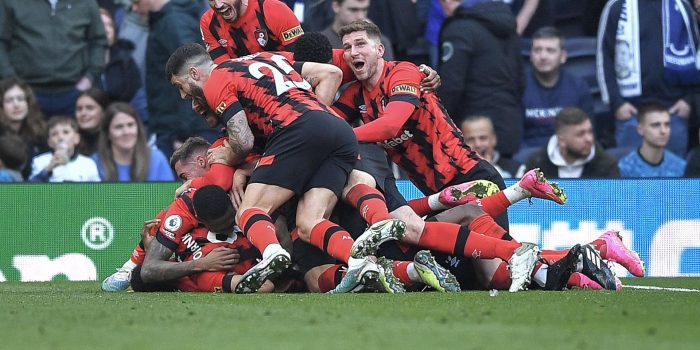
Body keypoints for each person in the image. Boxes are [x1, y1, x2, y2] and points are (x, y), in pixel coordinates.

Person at [166, 43, 407, 293]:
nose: (184, 96)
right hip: (337, 127)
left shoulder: (216, 80)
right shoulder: (265, 58)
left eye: (179, 87)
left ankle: (272, 253)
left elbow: (244, 141)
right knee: (309, 222)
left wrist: (230, 157)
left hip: (297, 130)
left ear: (194, 73)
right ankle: (361, 262)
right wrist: (315, 119)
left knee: (249, 210)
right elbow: (331, 73)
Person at [333, 20, 554, 292]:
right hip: (442, 197)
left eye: (360, 44)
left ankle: (579, 260)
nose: (353, 52)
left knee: (495, 273)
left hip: (472, 179)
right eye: (346, 47)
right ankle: (580, 260)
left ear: (379, 49)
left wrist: (345, 136)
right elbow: (325, 122)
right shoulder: (356, 96)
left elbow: (391, 125)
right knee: (476, 277)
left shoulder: (404, 73)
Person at [597, 0, 699, 157]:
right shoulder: (616, 5)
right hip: (632, 114)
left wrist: (688, 100)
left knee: (675, 178)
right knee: (631, 179)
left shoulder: (681, 6)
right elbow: (604, 57)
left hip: (674, 113)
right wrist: (616, 103)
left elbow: (696, 55)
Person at [437, 0, 524, 156]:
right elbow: (521, 79)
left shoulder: (458, 29)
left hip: (473, 129)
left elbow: (452, 85)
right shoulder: (509, 27)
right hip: (509, 123)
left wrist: (439, 122)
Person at [130, 0, 211, 159]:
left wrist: (185, 134)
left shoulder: (172, 22)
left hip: (182, 129)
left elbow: (193, 74)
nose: (133, 8)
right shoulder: (167, 21)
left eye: (136, 2)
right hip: (176, 124)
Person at [0, 0, 107, 118]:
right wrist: (12, 80)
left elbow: (99, 41)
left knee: (74, 136)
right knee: (29, 136)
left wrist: (90, 77)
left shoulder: (86, 3)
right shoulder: (11, 2)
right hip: (27, 92)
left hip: (74, 92)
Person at [522, 26, 594, 149]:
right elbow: (517, 140)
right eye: (537, 50)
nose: (543, 56)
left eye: (550, 50)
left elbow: (587, 134)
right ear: (531, 56)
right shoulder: (518, 87)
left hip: (569, 153)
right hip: (530, 156)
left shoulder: (579, 87)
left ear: (563, 56)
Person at [526, 107, 620, 178]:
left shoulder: (607, 165)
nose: (589, 139)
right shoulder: (537, 164)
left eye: (590, 131)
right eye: (580, 134)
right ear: (562, 140)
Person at [200, 0, 304, 63]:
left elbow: (302, 59)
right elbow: (225, 70)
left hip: (289, 80)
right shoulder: (208, 23)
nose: (218, 5)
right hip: (246, 88)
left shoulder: (273, 9)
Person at [92, 102, 174, 182]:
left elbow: (169, 195)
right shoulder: (93, 163)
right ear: (108, 134)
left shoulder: (156, 159)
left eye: (130, 125)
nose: (126, 132)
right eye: (119, 127)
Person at [618, 101, 687, 177]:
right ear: (640, 130)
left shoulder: (681, 168)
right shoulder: (624, 170)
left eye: (667, 125)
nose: (663, 131)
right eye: (656, 125)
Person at [0, 77, 48, 178]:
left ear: (28, 103)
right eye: (9, 101)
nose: (16, 105)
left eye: (20, 99)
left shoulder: (39, 132)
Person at [29, 116, 101, 182]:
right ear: (49, 142)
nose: (60, 137)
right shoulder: (39, 161)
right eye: (54, 134)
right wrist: (48, 169)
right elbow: (30, 191)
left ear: (76, 138)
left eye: (66, 132)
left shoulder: (88, 163)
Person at [321, 0, 394, 61]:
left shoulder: (380, 41)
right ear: (336, 6)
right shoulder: (321, 42)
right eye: (353, 10)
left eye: (364, 9)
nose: (360, 16)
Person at [98, 7, 142, 104]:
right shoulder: (80, 59)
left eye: (109, 25)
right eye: (101, 25)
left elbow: (136, 90)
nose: (107, 30)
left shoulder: (125, 57)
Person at [75, 88, 111, 156]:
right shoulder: (70, 140)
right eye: (79, 109)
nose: (83, 113)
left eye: (90, 108)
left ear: (104, 112)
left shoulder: (113, 139)